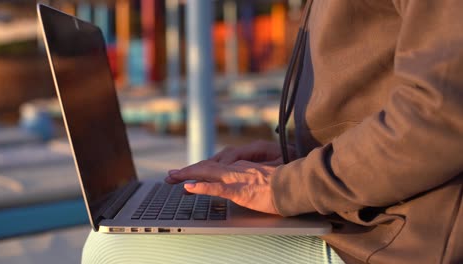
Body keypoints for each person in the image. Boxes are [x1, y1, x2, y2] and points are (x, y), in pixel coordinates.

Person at [83, 1, 462, 263]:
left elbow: (443, 110)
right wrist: (300, 157)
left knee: (113, 252)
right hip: (363, 216)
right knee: (118, 231)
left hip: (398, 241)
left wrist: (287, 186)